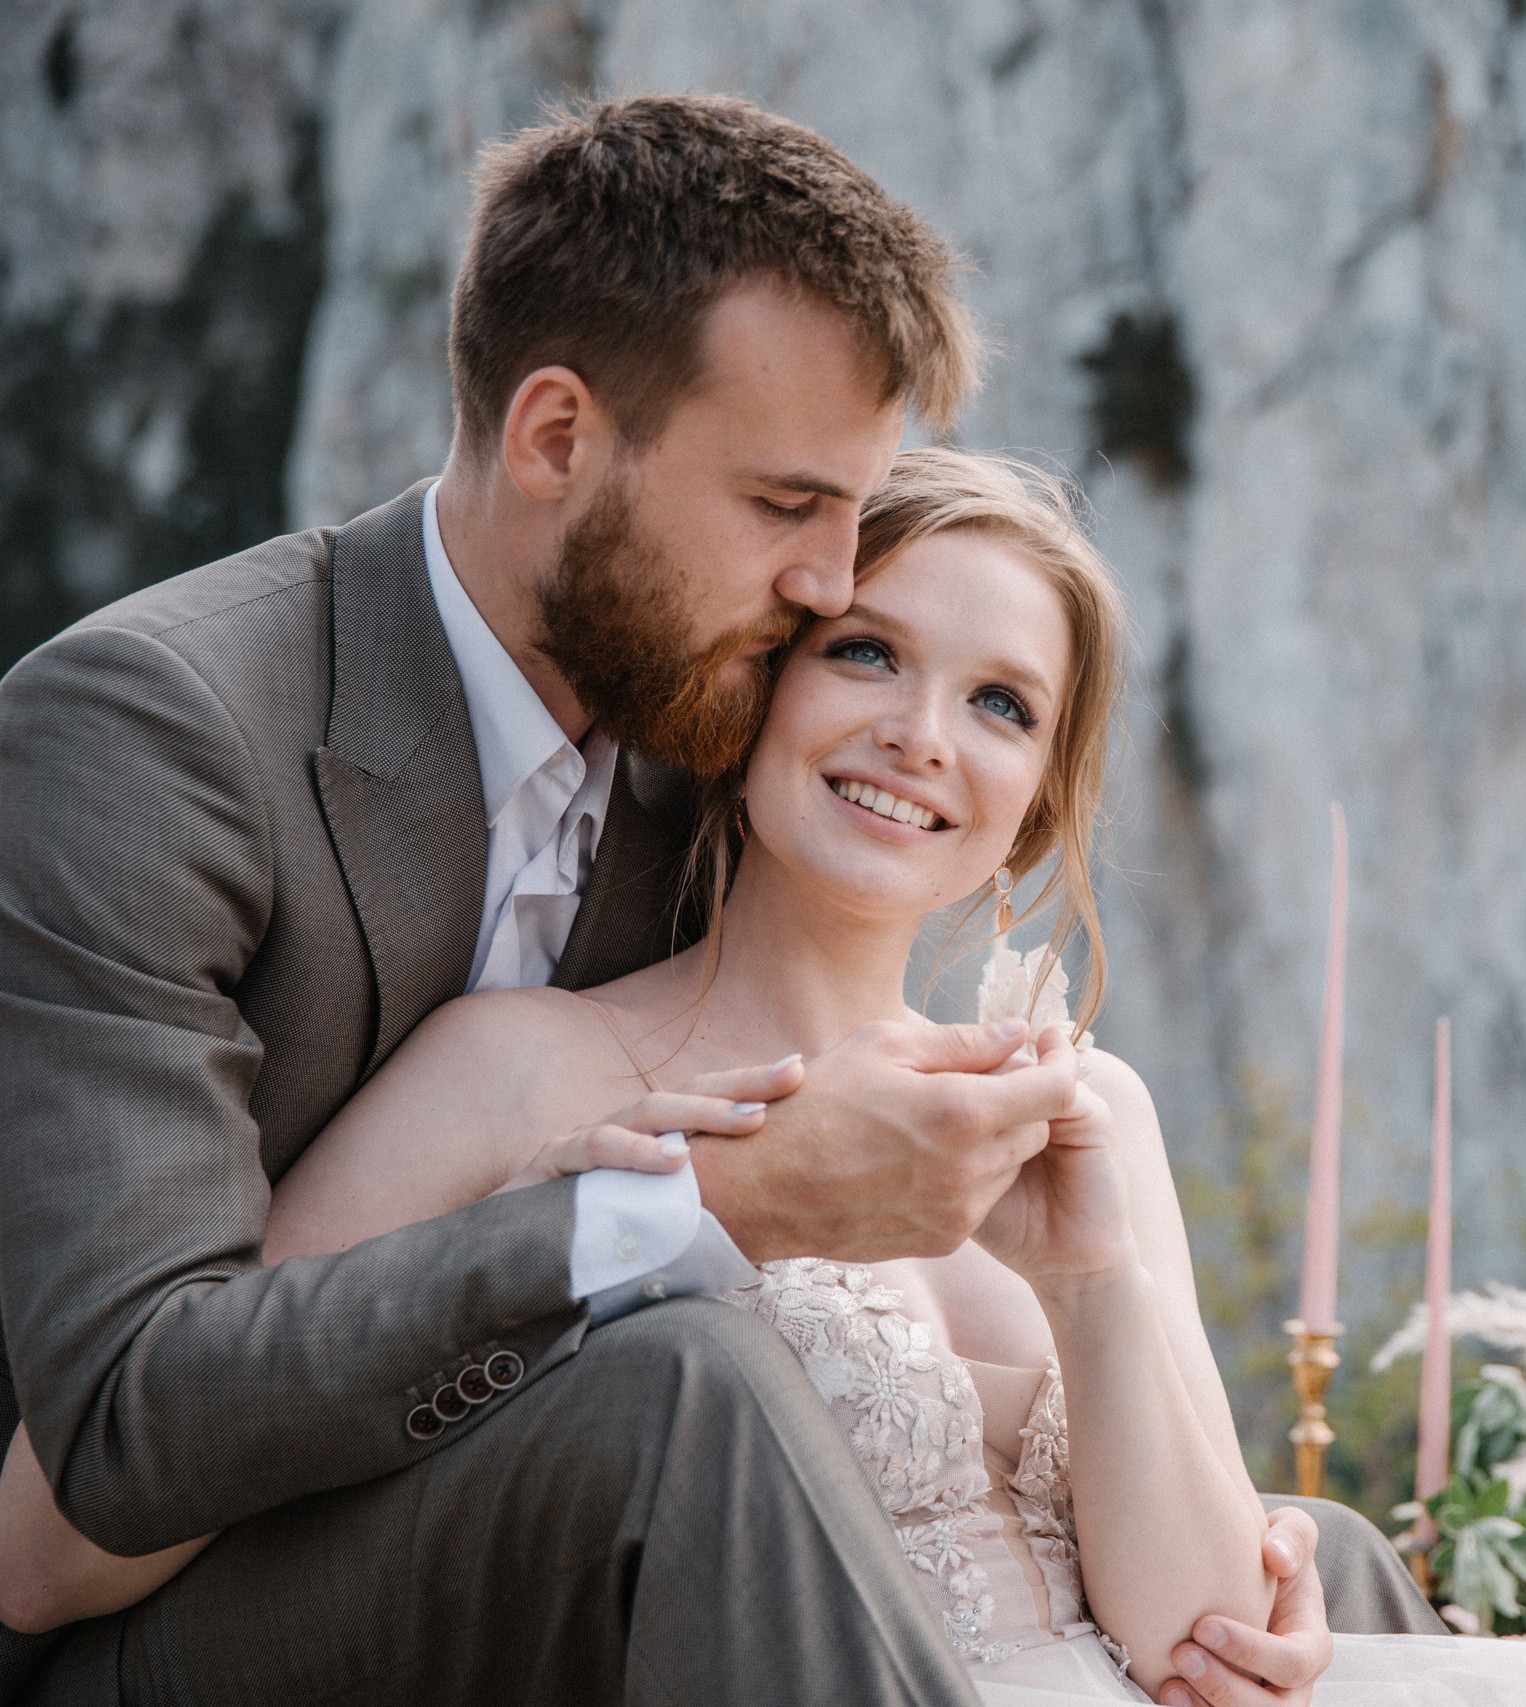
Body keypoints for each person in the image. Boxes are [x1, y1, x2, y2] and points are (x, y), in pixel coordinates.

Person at [0, 95, 1425, 1706]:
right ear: (556, 438)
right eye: (785, 507)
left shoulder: (713, 712)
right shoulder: (155, 730)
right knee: (689, 1384)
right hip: (185, 1598)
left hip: (644, 1566)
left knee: (1328, 1547)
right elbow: (106, 1444)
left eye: (1001, 708)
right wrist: (690, 1211)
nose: (830, 588)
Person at [8, 448, 1526, 1707]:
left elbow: (1204, 1638)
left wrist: (1105, 1283)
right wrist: (574, 1244)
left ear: (1038, 804)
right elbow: (112, 1499)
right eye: (869, 655)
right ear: (750, 698)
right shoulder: (531, 1065)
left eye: (1000, 706)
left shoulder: (1083, 1111)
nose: (922, 736)